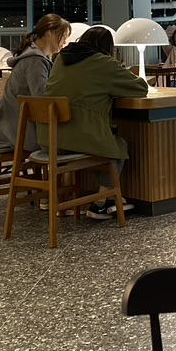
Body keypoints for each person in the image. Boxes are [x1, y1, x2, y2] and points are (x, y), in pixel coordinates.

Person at [42, 26, 149, 219]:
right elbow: (140, 88)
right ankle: (100, 202)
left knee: (101, 141)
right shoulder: (103, 62)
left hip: (48, 137)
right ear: (108, 47)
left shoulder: (60, 59)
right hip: (77, 137)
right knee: (116, 146)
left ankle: (108, 199)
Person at [0, 14, 72, 154]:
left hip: (7, 128)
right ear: (50, 32)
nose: (65, 42)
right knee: (75, 141)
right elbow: (41, 102)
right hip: (18, 133)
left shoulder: (31, 55)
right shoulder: (35, 60)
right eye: (63, 36)